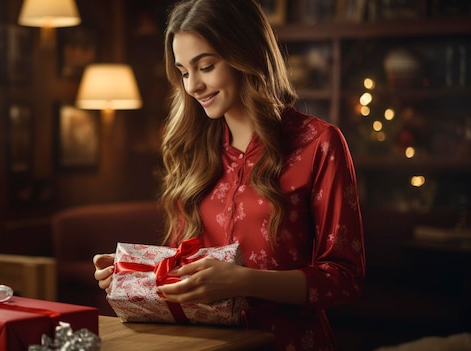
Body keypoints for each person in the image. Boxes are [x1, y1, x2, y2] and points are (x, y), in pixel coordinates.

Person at [93, 0, 365, 349]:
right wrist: (138, 271)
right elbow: (187, 265)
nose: (192, 86)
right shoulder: (192, 149)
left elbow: (344, 279)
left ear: (245, 54)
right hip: (202, 344)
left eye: (205, 66)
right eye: (184, 72)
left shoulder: (319, 144)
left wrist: (243, 281)